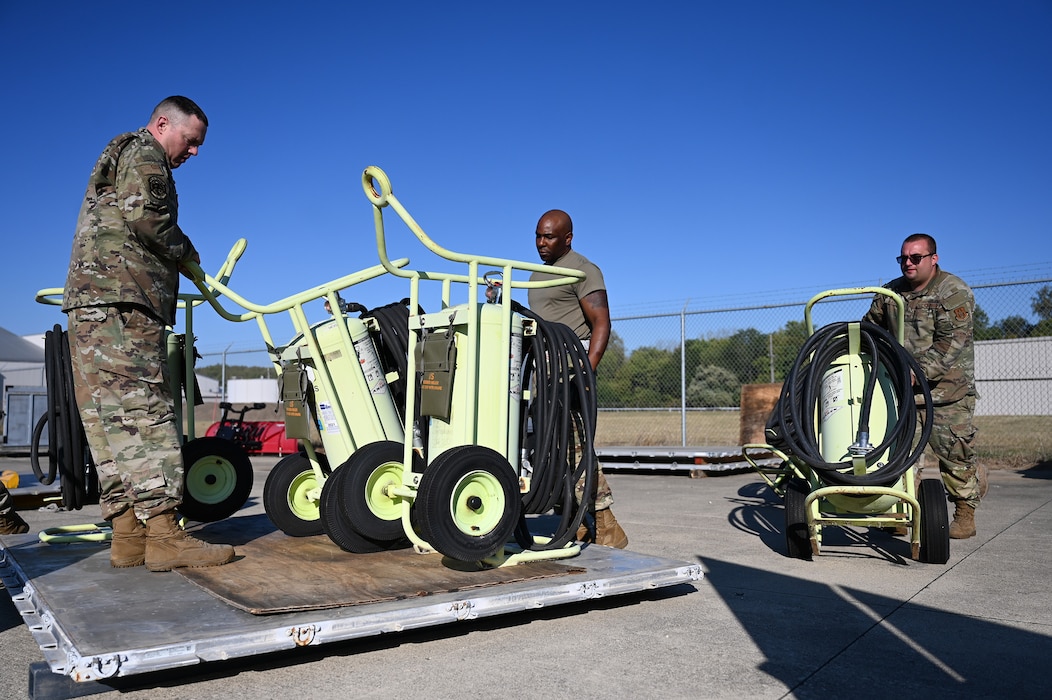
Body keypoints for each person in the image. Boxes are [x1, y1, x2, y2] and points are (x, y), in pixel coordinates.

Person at [62, 96, 235, 570]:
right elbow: (149, 218)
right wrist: (188, 254)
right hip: (124, 300)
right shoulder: (145, 153)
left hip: (90, 303)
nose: (194, 152)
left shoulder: (118, 152)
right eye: (191, 141)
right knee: (143, 411)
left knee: (107, 419)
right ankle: (163, 534)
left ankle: (128, 534)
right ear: (164, 124)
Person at [863, 233, 985, 539]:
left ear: (934, 258)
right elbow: (869, 328)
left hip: (947, 394)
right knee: (901, 457)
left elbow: (951, 343)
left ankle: (964, 513)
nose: (908, 263)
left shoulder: (953, 292)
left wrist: (915, 372)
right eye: (903, 258)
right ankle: (902, 511)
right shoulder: (890, 293)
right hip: (903, 393)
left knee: (955, 455)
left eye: (915, 257)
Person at [528, 209, 628, 548]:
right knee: (551, 449)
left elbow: (601, 322)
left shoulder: (583, 270)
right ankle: (579, 521)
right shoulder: (539, 273)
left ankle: (606, 524)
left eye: (550, 236)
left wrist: (587, 367)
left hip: (570, 368)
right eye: (539, 235)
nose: (542, 242)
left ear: (567, 238)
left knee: (575, 446)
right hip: (543, 369)